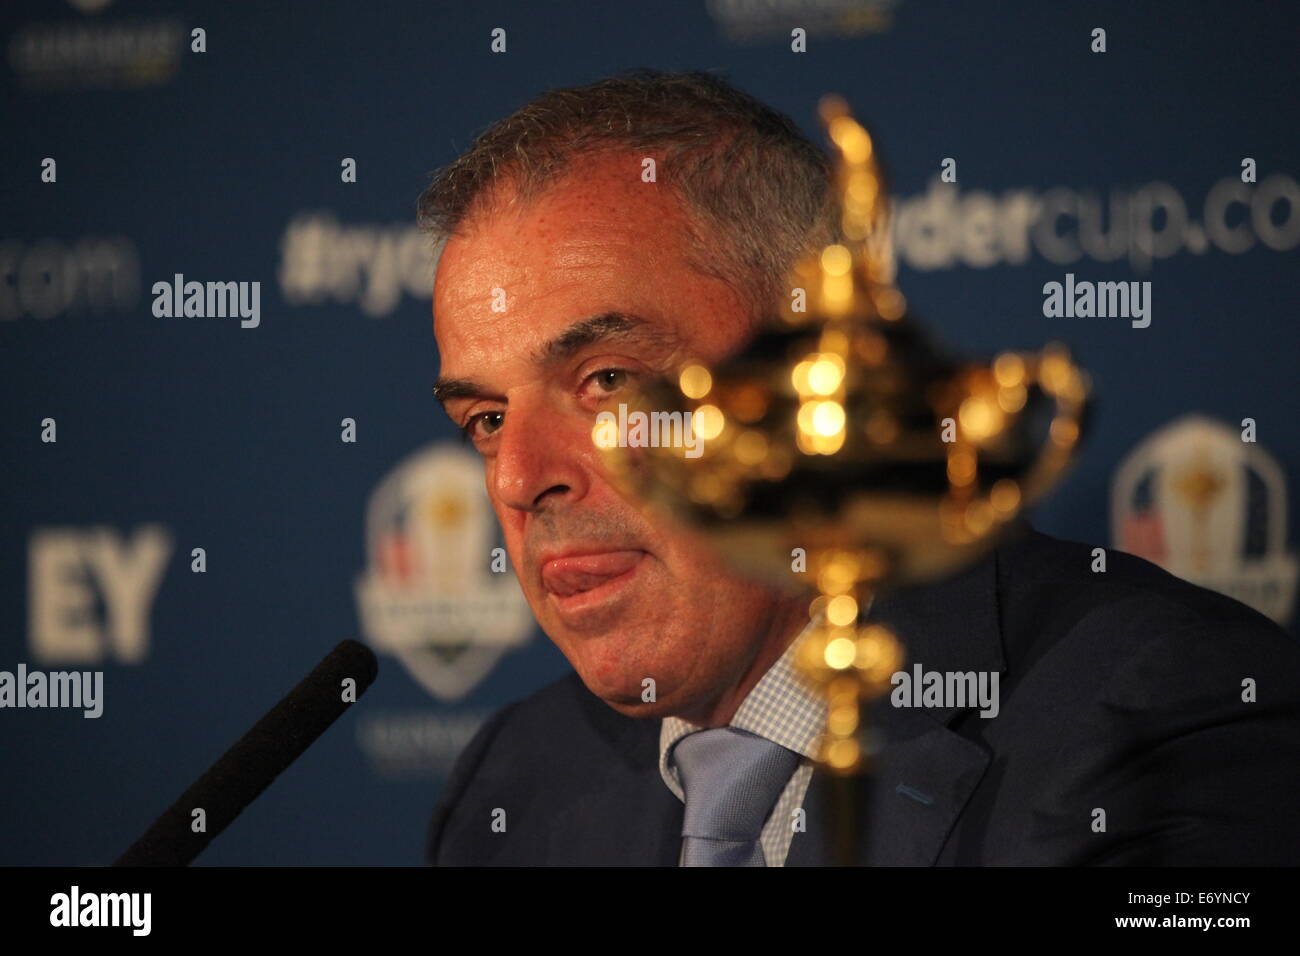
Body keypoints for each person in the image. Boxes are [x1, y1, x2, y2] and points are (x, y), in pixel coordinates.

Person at [419, 69, 1300, 865]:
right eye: (487, 418)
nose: (517, 477)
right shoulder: (517, 781)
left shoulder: (1170, 720)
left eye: (606, 380)